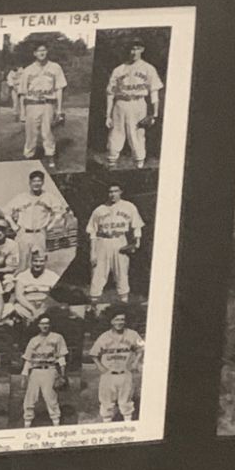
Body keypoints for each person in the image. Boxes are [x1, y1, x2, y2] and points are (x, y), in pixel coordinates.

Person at [104, 39, 163, 168]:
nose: (133, 52)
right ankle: (111, 166)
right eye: (131, 49)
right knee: (115, 136)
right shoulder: (119, 69)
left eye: (137, 48)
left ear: (142, 49)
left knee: (137, 137)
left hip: (138, 104)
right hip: (120, 104)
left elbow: (154, 92)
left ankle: (139, 167)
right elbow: (110, 94)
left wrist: (155, 114)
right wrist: (108, 115)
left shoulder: (148, 68)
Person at [9, 41, 68, 168]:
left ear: (47, 52)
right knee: (31, 133)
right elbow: (22, 93)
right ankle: (29, 156)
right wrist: (22, 113)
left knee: (48, 132)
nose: (42, 53)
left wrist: (59, 110)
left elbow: (59, 89)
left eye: (44, 50)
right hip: (32, 104)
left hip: (48, 104)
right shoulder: (28, 70)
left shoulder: (55, 67)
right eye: (39, 51)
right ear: (34, 53)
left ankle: (50, 156)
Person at [85, 183, 146, 301]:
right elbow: (92, 232)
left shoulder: (129, 206)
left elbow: (137, 225)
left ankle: (124, 304)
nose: (112, 194)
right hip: (102, 242)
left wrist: (137, 242)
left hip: (120, 241)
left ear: (121, 192)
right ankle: (94, 307)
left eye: (115, 191)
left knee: (122, 274)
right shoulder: (99, 209)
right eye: (110, 192)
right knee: (97, 274)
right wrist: (92, 252)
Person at [2, 169, 70, 267]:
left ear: (43, 182)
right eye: (34, 181)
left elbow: (60, 213)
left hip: (40, 234)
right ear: (30, 183)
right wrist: (14, 226)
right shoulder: (21, 197)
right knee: (21, 263)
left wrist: (50, 226)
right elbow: (6, 212)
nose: (36, 184)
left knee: (39, 263)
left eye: (39, 181)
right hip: (23, 233)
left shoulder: (49, 197)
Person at [89, 310, 145, 421]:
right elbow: (93, 354)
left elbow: (141, 348)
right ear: (111, 321)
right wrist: (100, 367)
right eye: (117, 319)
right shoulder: (104, 336)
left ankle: (128, 425)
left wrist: (135, 362)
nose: (120, 322)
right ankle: (107, 426)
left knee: (126, 403)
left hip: (125, 373)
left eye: (122, 319)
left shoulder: (132, 334)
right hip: (108, 375)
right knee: (106, 404)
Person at [19, 313, 68, 427]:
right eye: (42, 323)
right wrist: (24, 376)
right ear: (38, 325)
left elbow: (61, 356)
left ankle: (55, 421)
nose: (45, 326)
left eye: (47, 323)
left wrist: (62, 374)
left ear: (50, 325)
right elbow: (28, 360)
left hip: (50, 369)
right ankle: (28, 421)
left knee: (50, 396)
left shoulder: (57, 337)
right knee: (30, 397)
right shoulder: (33, 340)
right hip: (35, 371)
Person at [8, 250, 61, 325]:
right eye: (35, 261)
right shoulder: (22, 276)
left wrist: (42, 309)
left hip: (45, 306)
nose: (38, 264)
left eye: (41, 261)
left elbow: (55, 296)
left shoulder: (53, 276)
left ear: (45, 261)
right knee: (16, 309)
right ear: (31, 261)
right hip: (26, 306)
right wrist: (33, 310)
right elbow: (19, 296)